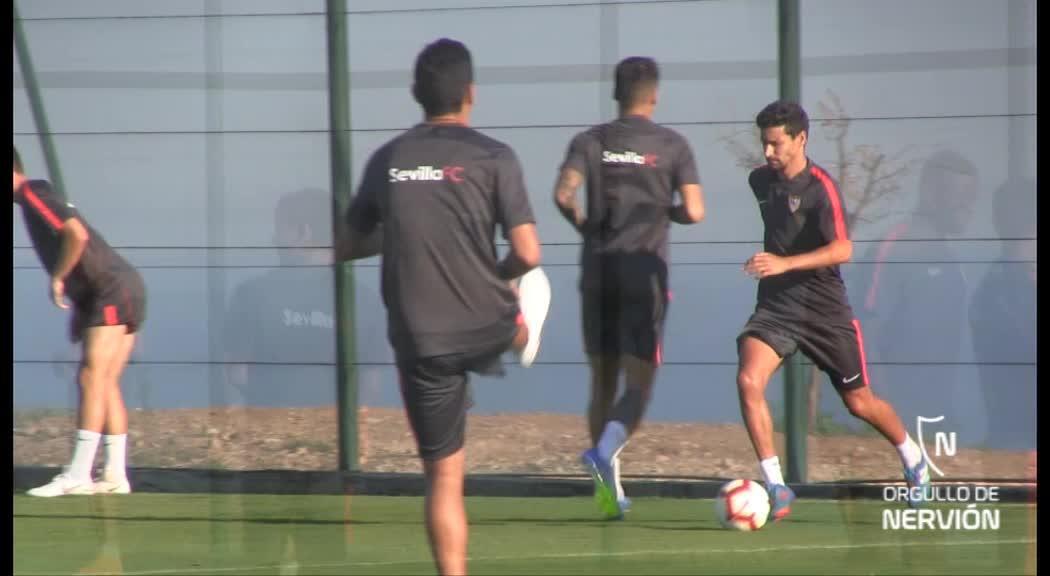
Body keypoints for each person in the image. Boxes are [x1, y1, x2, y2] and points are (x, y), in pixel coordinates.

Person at [335, 38, 550, 576]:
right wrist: (497, 278)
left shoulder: (388, 159)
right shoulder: (496, 156)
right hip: (486, 318)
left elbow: (345, 245)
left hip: (421, 335)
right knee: (525, 285)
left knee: (444, 478)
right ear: (471, 94)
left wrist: (400, 235)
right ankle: (522, 327)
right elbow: (527, 252)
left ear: (415, 94)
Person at [734, 101, 929, 520]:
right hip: (775, 307)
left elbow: (843, 249)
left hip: (825, 310)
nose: (767, 153)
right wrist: (773, 266)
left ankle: (912, 456)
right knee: (749, 380)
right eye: (764, 143)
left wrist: (784, 262)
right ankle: (776, 486)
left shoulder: (822, 188)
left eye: (776, 144)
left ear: (801, 139)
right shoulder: (759, 181)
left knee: (859, 403)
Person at [553, 56, 705, 520]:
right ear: (654, 95)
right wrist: (666, 212)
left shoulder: (590, 141)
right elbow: (695, 210)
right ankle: (604, 454)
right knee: (639, 385)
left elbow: (563, 193)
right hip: (644, 275)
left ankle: (609, 489)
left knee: (601, 380)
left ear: (616, 94)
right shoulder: (673, 145)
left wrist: (583, 226)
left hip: (597, 270)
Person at [14, 146, 146, 497]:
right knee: (105, 382)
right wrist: (80, 304)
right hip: (115, 289)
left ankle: (77, 474)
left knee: (91, 377)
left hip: (110, 289)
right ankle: (115, 475)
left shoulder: (31, 192)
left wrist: (58, 277)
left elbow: (77, 234)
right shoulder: (34, 197)